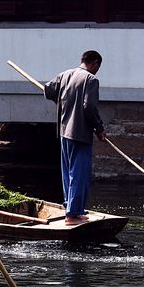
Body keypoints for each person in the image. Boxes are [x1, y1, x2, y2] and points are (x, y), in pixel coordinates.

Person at [43, 51, 106, 226]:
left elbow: (48, 90)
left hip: (64, 132)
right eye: (98, 67)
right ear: (94, 63)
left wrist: (61, 99)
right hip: (80, 133)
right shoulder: (90, 80)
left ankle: (72, 208)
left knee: (68, 173)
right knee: (79, 174)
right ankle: (72, 214)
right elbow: (89, 107)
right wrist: (99, 128)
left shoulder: (65, 75)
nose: (97, 71)